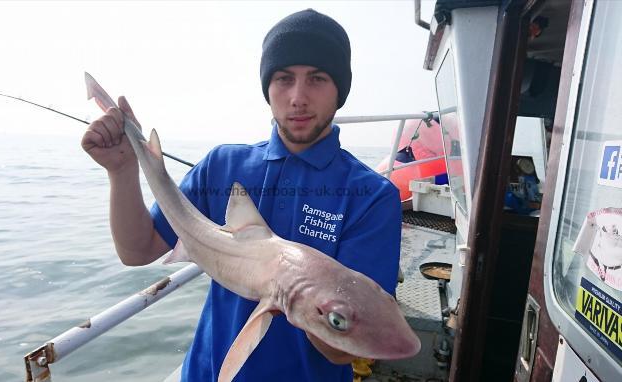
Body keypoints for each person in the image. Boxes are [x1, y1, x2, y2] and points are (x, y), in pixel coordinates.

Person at [81, 9, 402, 382]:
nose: (298, 97)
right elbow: (137, 251)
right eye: (284, 79)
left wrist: (298, 297)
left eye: (317, 78)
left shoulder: (371, 196)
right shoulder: (224, 166)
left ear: (340, 89)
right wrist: (122, 171)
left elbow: (342, 350)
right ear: (268, 87)